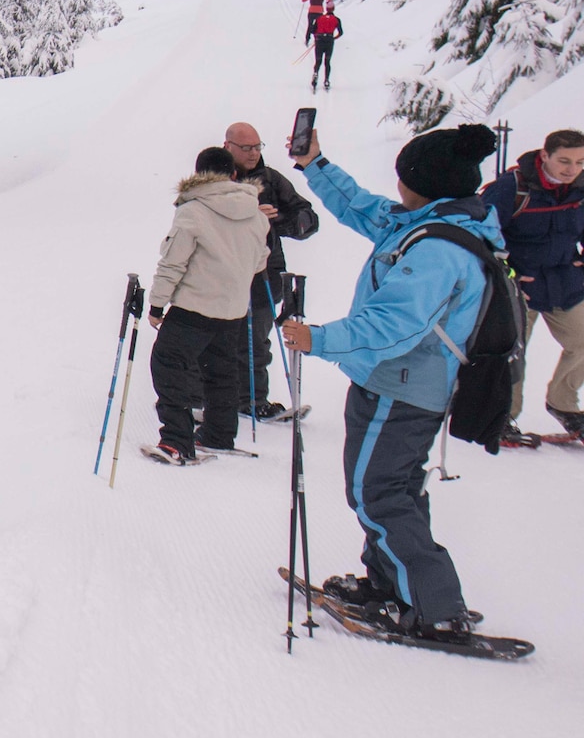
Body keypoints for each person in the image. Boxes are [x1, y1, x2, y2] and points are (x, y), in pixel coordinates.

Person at [281, 122, 500, 641]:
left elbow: (395, 324)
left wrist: (319, 339)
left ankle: (434, 607)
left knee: (377, 494)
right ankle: (391, 585)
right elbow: (365, 208)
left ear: (423, 183)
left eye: (403, 176)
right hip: (406, 384)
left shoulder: (437, 250)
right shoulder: (434, 219)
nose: (396, 186)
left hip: (401, 388)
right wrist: (315, 164)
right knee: (392, 489)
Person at [145, 146, 272, 462]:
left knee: (168, 364)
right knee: (221, 371)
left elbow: (173, 262)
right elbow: (259, 262)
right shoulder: (255, 214)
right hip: (232, 311)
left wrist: (157, 305)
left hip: (194, 308)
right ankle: (218, 435)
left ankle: (176, 441)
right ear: (233, 174)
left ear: (199, 175)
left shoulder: (193, 210)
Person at [482, 128, 584, 442]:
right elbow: (479, 235)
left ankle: (563, 404)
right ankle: (501, 417)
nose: (572, 169)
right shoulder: (512, 189)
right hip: (517, 285)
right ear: (544, 156)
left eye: (580, 162)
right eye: (564, 160)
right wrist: (505, 271)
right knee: (513, 351)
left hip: (564, 281)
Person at [224, 122, 320, 419]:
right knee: (216, 336)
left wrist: (281, 223)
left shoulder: (271, 180)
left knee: (254, 339)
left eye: (257, 147)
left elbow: (307, 218)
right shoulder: (214, 179)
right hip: (222, 273)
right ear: (228, 147)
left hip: (265, 273)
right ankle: (207, 396)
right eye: (246, 148)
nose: (253, 154)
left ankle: (252, 399)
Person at [307, 5, 343, 91]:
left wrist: (317, 36)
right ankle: (326, 80)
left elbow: (312, 30)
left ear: (326, 9)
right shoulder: (337, 19)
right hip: (329, 40)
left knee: (318, 60)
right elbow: (341, 32)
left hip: (319, 40)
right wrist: (334, 38)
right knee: (327, 61)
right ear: (333, 9)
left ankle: (315, 73)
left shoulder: (319, 18)